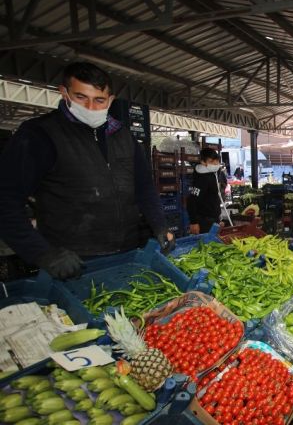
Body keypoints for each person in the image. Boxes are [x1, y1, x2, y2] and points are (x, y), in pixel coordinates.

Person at [0, 62, 173, 280]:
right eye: (81, 97)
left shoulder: (123, 136)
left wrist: (159, 224)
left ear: (110, 100)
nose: (90, 108)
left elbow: (144, 187)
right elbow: (6, 202)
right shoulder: (39, 135)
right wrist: (42, 253)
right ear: (64, 93)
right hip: (73, 260)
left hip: (128, 251)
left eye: (99, 100)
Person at [188, 148, 228, 235]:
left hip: (213, 219)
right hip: (204, 221)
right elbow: (192, 201)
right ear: (203, 162)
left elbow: (214, 198)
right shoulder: (201, 178)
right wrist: (194, 222)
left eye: (216, 161)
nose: (215, 164)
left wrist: (218, 218)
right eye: (211, 162)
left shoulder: (213, 174)